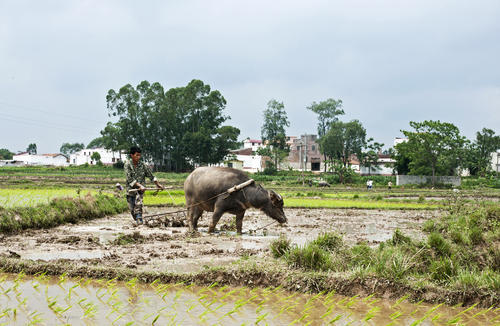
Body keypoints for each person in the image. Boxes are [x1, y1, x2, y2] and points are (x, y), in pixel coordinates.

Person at [124, 146, 164, 225]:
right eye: (136, 155)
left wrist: (158, 185)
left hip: (140, 191)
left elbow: (151, 176)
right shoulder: (127, 164)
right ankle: (137, 220)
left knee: (138, 205)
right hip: (130, 190)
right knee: (132, 209)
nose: (138, 157)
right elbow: (129, 179)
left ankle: (140, 221)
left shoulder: (143, 165)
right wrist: (139, 185)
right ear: (131, 155)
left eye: (139, 155)